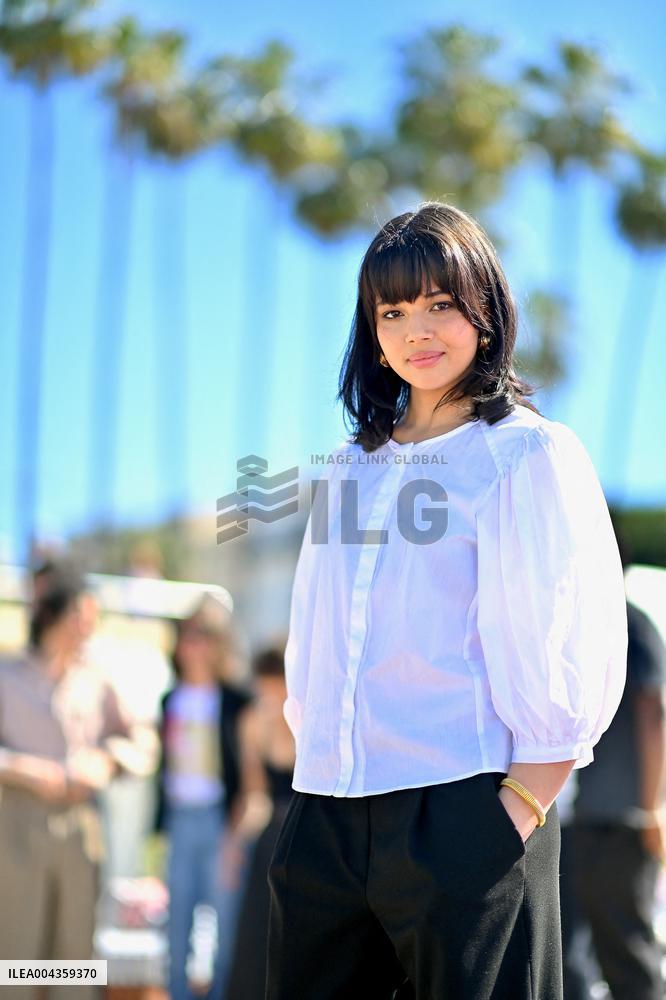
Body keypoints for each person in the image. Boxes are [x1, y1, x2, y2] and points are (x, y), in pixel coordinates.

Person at [264, 201, 629, 1000]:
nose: (417, 330)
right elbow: (313, 637)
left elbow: (565, 637)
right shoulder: (348, 468)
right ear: (372, 332)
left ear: (484, 310)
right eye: (392, 312)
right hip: (326, 816)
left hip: (466, 809)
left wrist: (517, 809)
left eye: (439, 303)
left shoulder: (525, 453)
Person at [0, 559, 150, 1000]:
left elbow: (143, 741)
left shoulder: (99, 678)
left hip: (81, 830)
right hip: (19, 826)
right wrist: (22, 769)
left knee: (75, 959)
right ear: (59, 614)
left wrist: (107, 761)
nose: (91, 626)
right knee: (18, 956)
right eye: (84, 614)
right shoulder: (7, 676)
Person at [561, 521, 666, 1000]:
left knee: (625, 953)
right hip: (586, 817)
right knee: (576, 954)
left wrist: (652, 808)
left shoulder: (629, 623)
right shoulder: (593, 622)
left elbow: (653, 711)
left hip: (621, 821)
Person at [153, 593, 254, 1000]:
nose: (193, 643)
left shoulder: (235, 701)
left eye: (203, 634)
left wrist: (236, 833)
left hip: (219, 822)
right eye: (187, 634)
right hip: (180, 818)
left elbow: (249, 778)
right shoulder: (169, 699)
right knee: (176, 924)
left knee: (225, 926)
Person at [224, 644, 295, 1000]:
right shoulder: (251, 722)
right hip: (272, 841)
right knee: (256, 932)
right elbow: (256, 797)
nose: (268, 696)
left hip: (312, 832)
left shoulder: (311, 719)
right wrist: (234, 843)